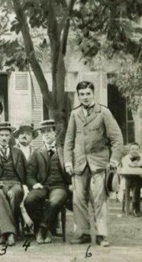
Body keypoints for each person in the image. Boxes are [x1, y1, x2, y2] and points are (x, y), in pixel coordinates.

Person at [64, 81, 123, 247]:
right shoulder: (75, 114)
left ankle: (101, 234)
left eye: (87, 93)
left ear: (93, 94)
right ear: (78, 96)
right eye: (81, 94)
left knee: (99, 199)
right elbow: (69, 140)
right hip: (79, 163)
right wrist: (68, 161)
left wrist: (114, 160)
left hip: (99, 164)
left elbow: (117, 138)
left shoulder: (103, 112)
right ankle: (82, 233)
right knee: (78, 199)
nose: (85, 97)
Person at [24, 120, 71, 244]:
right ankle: (45, 228)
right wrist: (34, 183)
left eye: (49, 131)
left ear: (55, 133)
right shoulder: (37, 153)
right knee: (29, 200)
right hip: (43, 185)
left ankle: (42, 230)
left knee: (54, 201)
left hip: (60, 185)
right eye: (43, 132)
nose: (46, 134)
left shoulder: (64, 150)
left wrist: (71, 183)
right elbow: (29, 174)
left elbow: (72, 167)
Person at [0, 122, 26, 246]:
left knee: (15, 193)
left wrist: (25, 185)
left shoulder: (18, 153)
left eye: (7, 135)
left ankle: (6, 233)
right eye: (1, 135)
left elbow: (25, 170)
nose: (4, 138)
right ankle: (11, 233)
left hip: (15, 182)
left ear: (10, 137)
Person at [120, 142, 142, 216]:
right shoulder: (125, 158)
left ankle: (135, 208)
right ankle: (135, 208)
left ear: (139, 150)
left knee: (137, 181)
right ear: (129, 150)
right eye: (132, 149)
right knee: (136, 182)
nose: (134, 150)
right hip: (129, 180)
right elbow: (127, 169)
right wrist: (138, 166)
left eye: (136, 149)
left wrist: (135, 166)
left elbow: (133, 166)